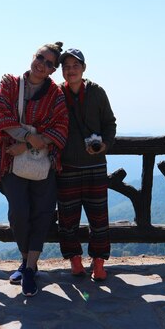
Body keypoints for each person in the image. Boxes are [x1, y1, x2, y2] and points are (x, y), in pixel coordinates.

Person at [0, 42, 69, 296]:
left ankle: (30, 267)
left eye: (48, 63)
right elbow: (1, 117)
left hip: (43, 162)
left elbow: (61, 126)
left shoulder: (55, 95)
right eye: (40, 58)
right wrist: (28, 139)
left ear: (53, 70)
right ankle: (24, 259)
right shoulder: (11, 84)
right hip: (11, 160)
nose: (41, 65)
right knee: (19, 213)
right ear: (33, 57)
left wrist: (29, 143)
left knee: (43, 212)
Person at [56, 48, 117, 281]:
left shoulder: (97, 92)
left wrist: (105, 144)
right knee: (67, 219)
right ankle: (75, 261)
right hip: (66, 166)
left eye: (75, 65)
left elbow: (110, 123)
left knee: (99, 218)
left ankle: (99, 263)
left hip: (95, 165)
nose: (71, 70)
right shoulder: (56, 94)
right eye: (66, 66)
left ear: (84, 68)